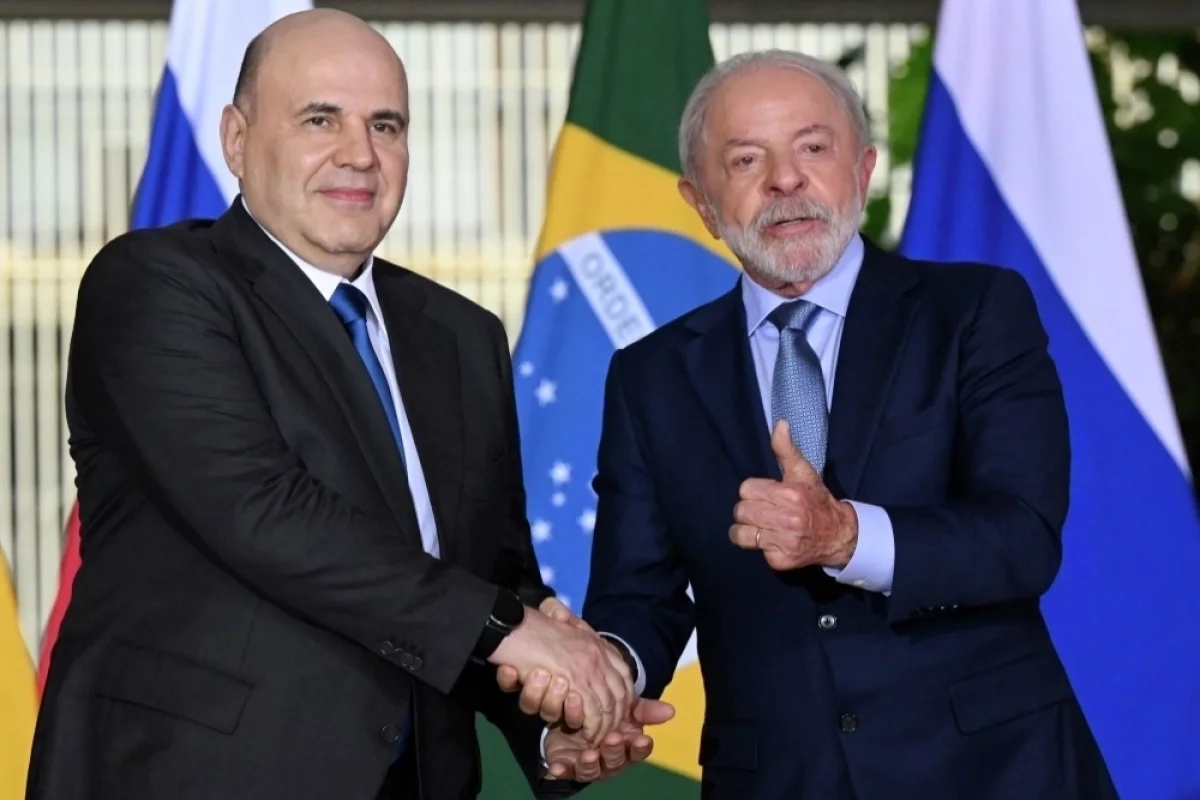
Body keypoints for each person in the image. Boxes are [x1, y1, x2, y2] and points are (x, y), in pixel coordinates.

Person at [26, 9, 634, 800]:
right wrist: (511, 632)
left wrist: (554, 723)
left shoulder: (461, 335)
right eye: (321, 119)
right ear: (236, 139)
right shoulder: (155, 284)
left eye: (386, 125)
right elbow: (265, 511)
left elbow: (488, 572)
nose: (360, 153)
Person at [537, 49, 1122, 797]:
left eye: (813, 148)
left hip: (993, 771)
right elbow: (639, 592)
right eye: (746, 160)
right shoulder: (652, 374)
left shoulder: (974, 312)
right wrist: (602, 682)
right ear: (701, 203)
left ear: (863, 170)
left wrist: (846, 536)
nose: (785, 180)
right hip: (777, 778)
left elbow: (1023, 537)